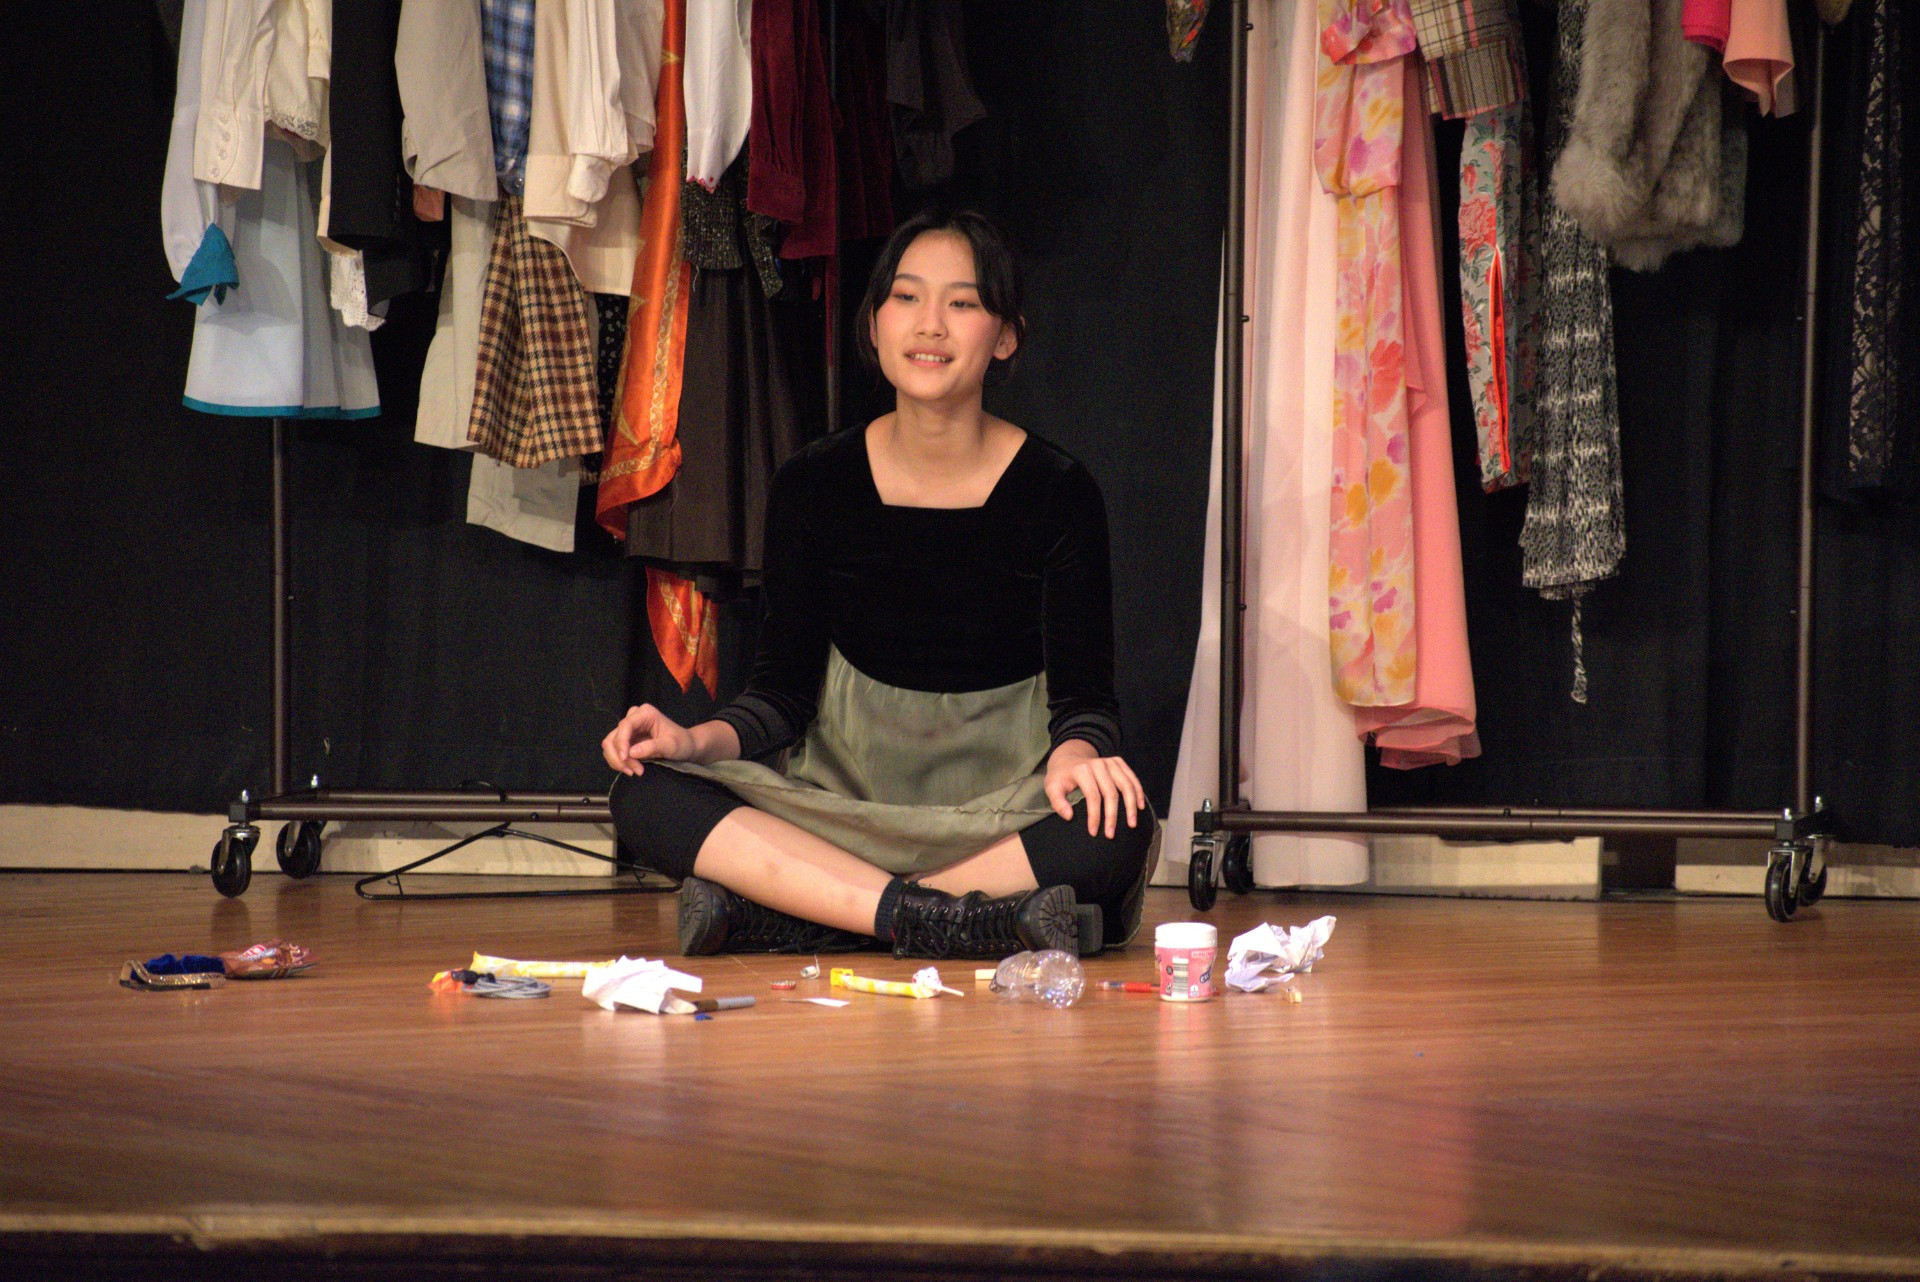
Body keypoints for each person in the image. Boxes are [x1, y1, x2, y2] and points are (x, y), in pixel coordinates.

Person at [604, 209, 1158, 960]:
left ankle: (816, 915)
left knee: (1116, 823)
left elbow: (1085, 703)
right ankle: (950, 919)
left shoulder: (1059, 490)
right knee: (645, 790)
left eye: (963, 303)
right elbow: (780, 697)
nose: (930, 324)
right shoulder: (812, 482)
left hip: (996, 817)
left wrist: (1077, 758)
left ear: (1006, 335)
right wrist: (691, 740)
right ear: (873, 324)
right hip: (842, 815)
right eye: (906, 297)